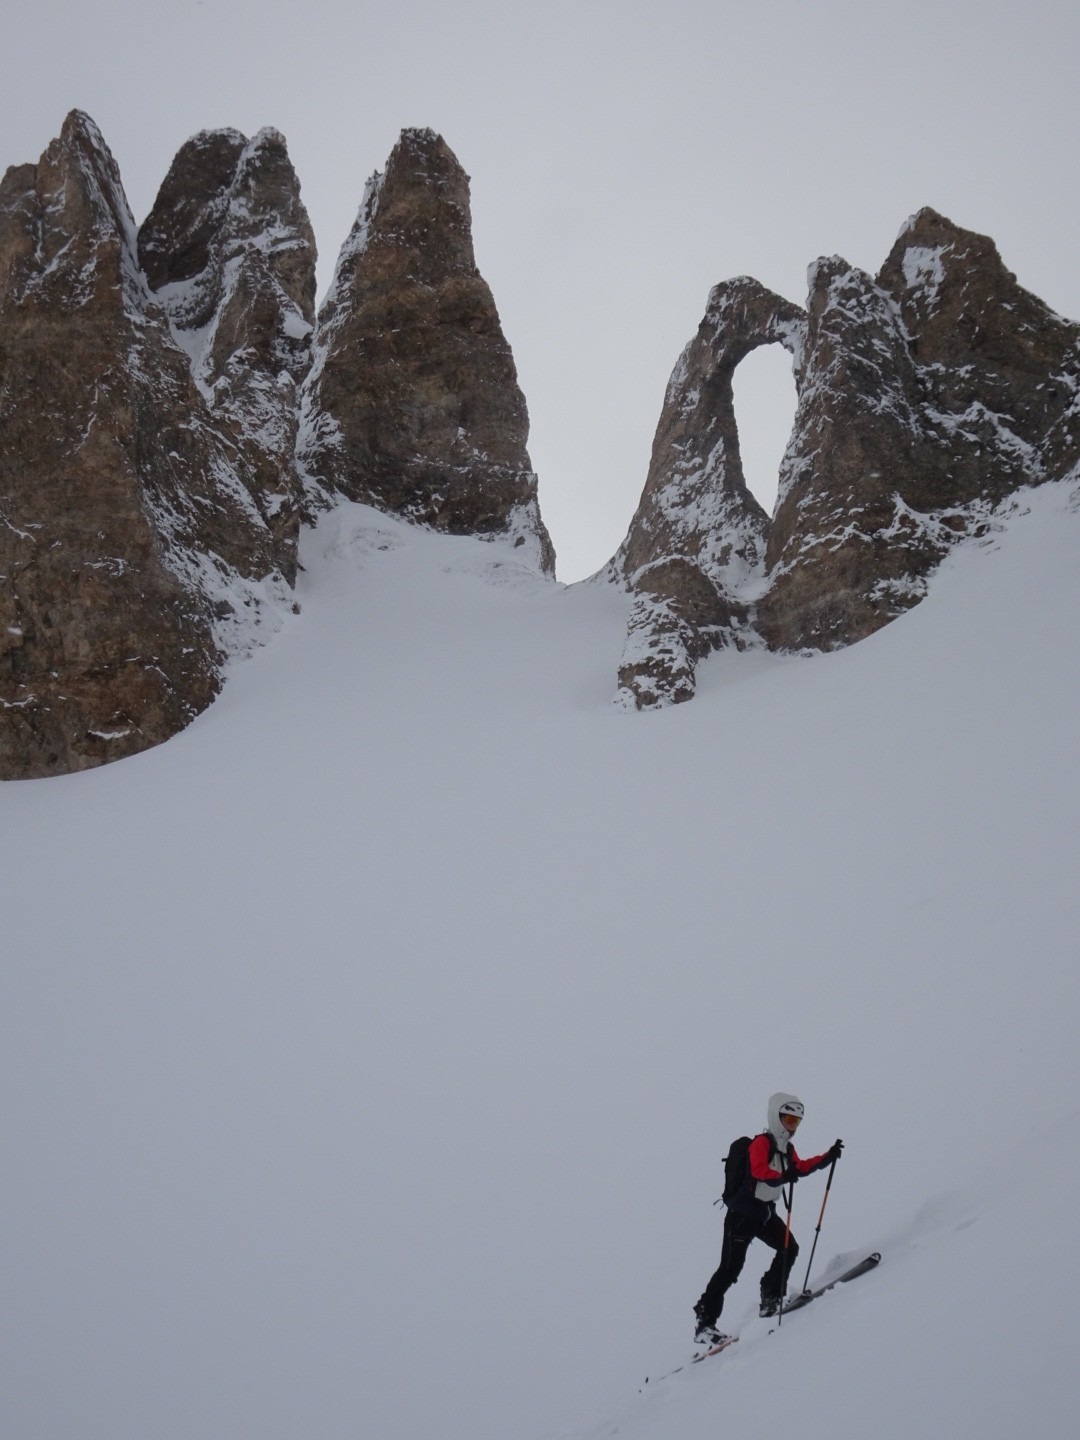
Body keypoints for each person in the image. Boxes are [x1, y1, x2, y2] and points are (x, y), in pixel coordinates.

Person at [693, 1092, 843, 1343]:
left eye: (796, 1121)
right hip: (742, 1215)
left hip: (764, 1213)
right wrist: (783, 1177)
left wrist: (827, 1157)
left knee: (789, 1247)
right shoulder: (761, 1143)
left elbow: (799, 1168)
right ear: (776, 1117)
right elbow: (759, 1170)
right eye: (787, 1119)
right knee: (730, 1269)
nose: (791, 1125)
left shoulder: (786, 1148)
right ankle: (704, 1324)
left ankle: (771, 1299)